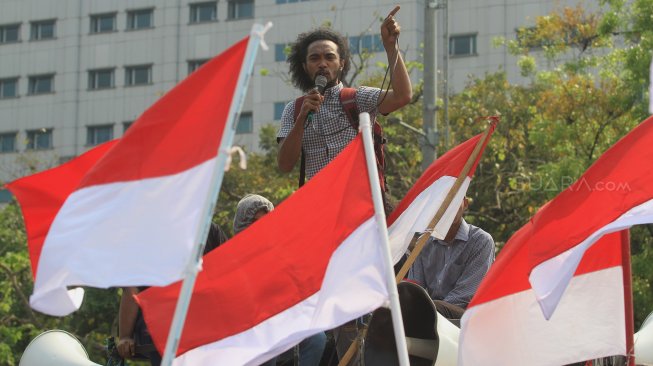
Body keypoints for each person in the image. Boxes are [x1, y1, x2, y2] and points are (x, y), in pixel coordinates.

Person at [277, 5, 412, 181]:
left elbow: (402, 96)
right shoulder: (293, 110)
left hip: (359, 203)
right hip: (320, 204)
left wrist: (390, 46)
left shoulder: (358, 98)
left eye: (329, 57)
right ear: (304, 66)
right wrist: (302, 118)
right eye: (314, 58)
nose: (322, 64)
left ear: (341, 63)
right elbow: (284, 165)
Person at [233, 194, 326, 366]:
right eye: (256, 222)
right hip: (248, 333)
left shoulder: (277, 255)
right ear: (245, 224)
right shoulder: (234, 260)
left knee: (316, 340)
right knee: (269, 347)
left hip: (280, 323)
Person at [116, 222, 229, 365]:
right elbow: (132, 288)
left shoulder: (208, 228)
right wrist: (125, 336)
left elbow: (226, 272)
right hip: (163, 327)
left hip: (205, 322)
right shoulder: (148, 236)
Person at [407, 197, 495, 321]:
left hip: (466, 316)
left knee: (431, 308)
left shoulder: (481, 241)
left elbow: (464, 296)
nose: (449, 206)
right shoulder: (423, 243)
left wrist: (427, 310)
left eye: (454, 200)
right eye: (442, 202)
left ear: (465, 204)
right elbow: (414, 288)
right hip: (429, 312)